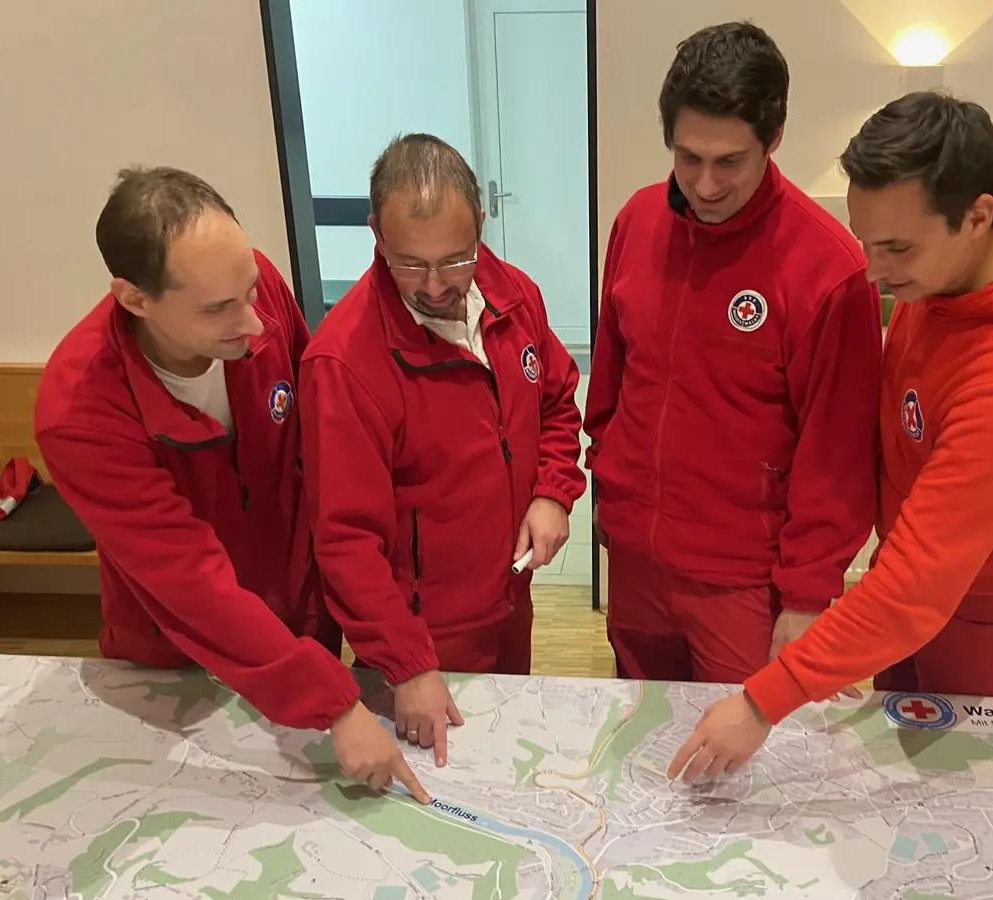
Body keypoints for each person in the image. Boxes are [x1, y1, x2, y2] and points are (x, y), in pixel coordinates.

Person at [669, 91, 993, 782]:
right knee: (899, 741)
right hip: (926, 575)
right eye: (865, 241)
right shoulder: (946, 272)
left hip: (991, 604)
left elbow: (914, 590)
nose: (873, 271)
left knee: (964, 777)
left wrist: (762, 702)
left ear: (978, 217)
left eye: (896, 248)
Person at [35, 166, 426, 801]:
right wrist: (336, 705)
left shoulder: (255, 288)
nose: (254, 323)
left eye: (249, 290)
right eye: (218, 309)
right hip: (179, 656)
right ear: (135, 299)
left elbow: (319, 446)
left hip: (300, 617)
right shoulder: (79, 412)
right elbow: (191, 584)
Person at [584, 22, 881, 685]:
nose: (706, 184)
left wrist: (808, 596)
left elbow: (838, 456)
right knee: (642, 732)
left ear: (773, 141)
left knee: (742, 767)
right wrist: (610, 483)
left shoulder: (828, 270)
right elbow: (611, 377)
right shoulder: (636, 222)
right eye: (688, 158)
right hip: (636, 562)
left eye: (729, 162)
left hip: (744, 582)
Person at [301, 134, 585, 767]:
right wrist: (407, 664)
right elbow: (344, 541)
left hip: (509, 601)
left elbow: (559, 402)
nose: (435, 286)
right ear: (375, 233)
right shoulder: (344, 362)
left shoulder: (515, 296)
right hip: (423, 635)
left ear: (481, 226)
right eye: (409, 263)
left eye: (457, 260)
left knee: (512, 765)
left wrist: (552, 491)